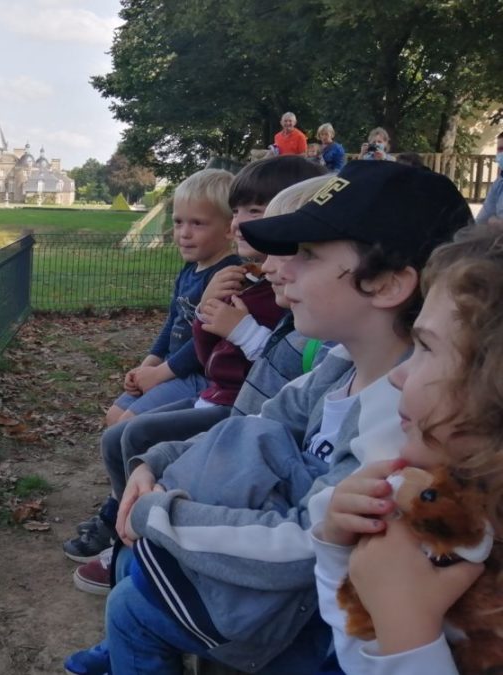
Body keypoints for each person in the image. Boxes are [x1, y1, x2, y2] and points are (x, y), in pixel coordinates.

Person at [65, 161, 471, 675]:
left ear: (388, 284)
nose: (281, 266)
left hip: (303, 628)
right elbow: (255, 421)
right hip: (271, 594)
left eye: (306, 254)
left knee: (133, 601)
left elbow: (307, 541)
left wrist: (159, 514)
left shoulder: (402, 418)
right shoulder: (338, 364)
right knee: (136, 573)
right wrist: (154, 463)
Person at [64, 166, 330, 600]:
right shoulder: (241, 279)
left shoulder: (281, 295)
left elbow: (274, 371)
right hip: (218, 395)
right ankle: (125, 520)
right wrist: (210, 311)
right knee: (119, 437)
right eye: (238, 210)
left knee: (137, 433)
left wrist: (233, 328)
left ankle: (139, 539)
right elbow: (209, 354)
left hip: (237, 407)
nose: (241, 221)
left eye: (255, 211)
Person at [313, 222, 503, 674]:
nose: (398, 374)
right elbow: (356, 658)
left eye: (425, 348)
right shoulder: (443, 503)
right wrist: (339, 553)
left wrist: (408, 629)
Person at [103, 169, 240, 427]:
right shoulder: (190, 270)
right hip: (169, 368)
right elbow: (173, 323)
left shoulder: (228, 277)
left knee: (128, 425)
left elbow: (207, 341)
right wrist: (146, 367)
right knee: (113, 417)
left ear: (229, 229)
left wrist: (158, 374)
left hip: (198, 375)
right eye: (178, 222)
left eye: (197, 223)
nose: (184, 233)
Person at [475, 130, 503, 226]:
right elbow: (482, 220)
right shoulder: (499, 183)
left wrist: (495, 222)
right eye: (500, 150)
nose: (501, 154)